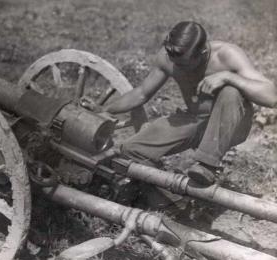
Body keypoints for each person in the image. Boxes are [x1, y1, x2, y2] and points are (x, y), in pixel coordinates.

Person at [90, 21, 277, 186]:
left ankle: (207, 165)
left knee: (231, 91)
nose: (178, 68)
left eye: (184, 65)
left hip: (230, 126)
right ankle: (174, 199)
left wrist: (228, 77)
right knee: (131, 150)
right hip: (194, 120)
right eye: (175, 63)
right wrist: (105, 110)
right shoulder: (168, 57)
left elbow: (271, 97)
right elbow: (141, 93)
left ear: (202, 53)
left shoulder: (226, 55)